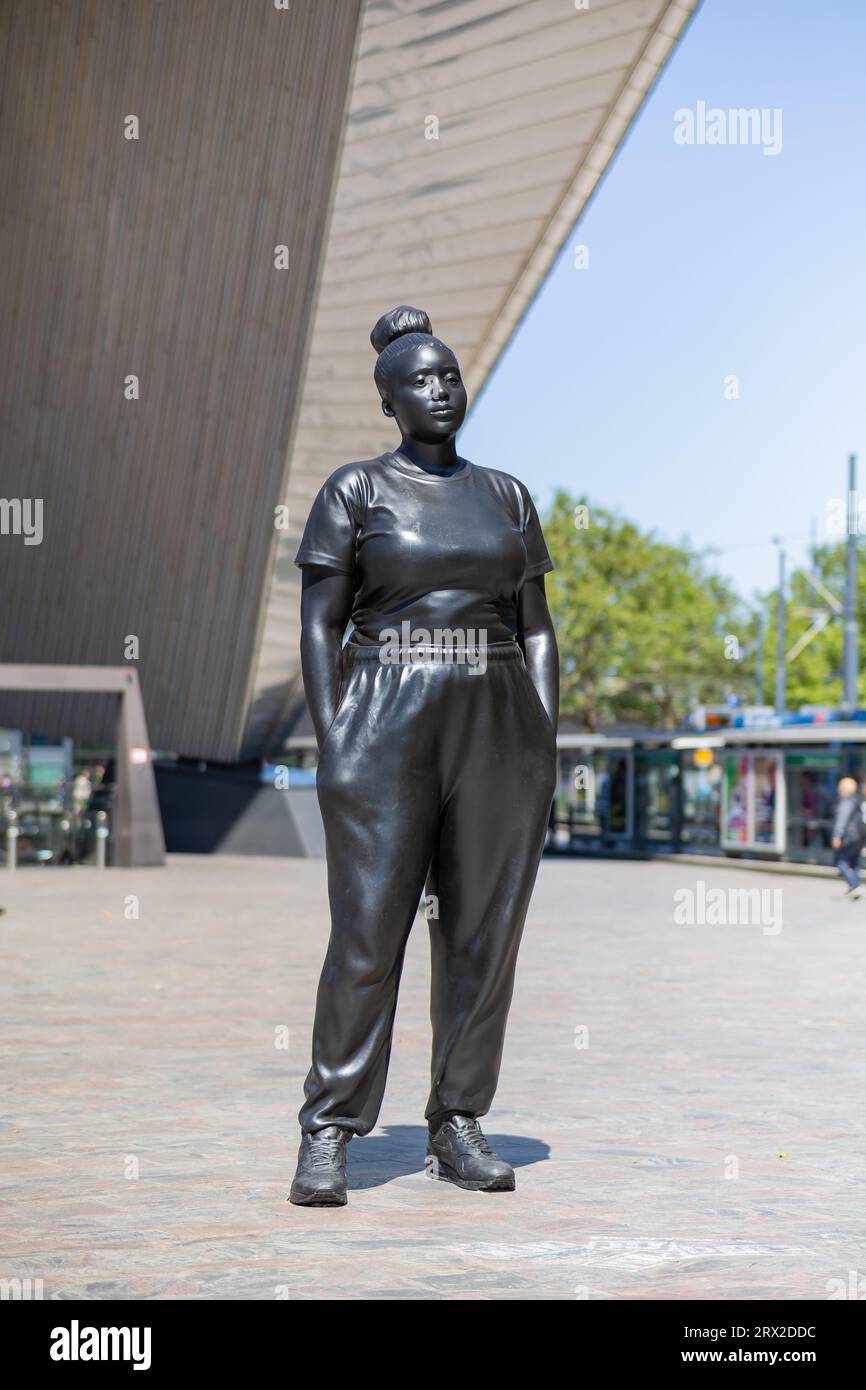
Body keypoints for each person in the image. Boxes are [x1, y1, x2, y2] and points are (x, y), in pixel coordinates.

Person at [288, 305, 559, 1206]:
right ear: (389, 401)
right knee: (368, 934)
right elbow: (320, 626)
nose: (441, 388)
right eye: (421, 380)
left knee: (483, 935)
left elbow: (539, 629)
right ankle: (328, 1127)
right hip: (386, 718)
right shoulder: (355, 493)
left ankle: (457, 1120)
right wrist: (338, 742)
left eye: (450, 375)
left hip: (497, 724)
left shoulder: (507, 495)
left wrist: (541, 736)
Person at [831, 776, 864, 899]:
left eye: (840, 787)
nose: (839, 789)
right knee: (855, 862)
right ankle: (854, 886)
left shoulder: (845, 802)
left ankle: (854, 885)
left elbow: (841, 820)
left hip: (849, 837)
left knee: (839, 861)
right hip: (858, 837)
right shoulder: (856, 800)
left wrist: (837, 836)